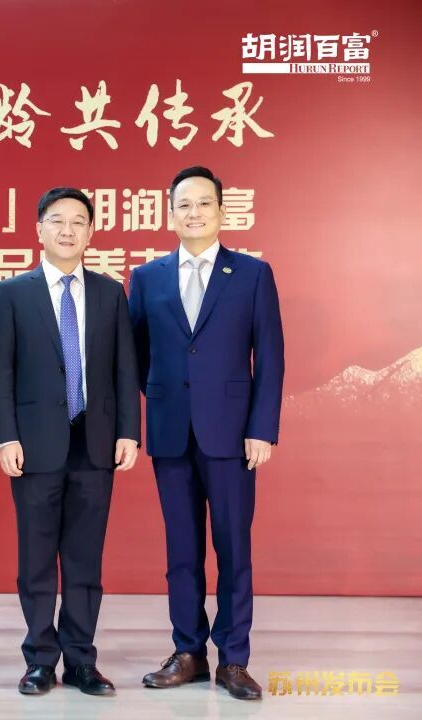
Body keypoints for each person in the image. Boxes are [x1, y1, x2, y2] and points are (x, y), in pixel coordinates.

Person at [129, 166, 284, 701]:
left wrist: (261, 428)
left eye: (203, 204)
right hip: (171, 431)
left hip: (233, 435)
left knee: (234, 548)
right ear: (170, 213)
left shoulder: (252, 274)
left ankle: (234, 659)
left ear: (221, 211)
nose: (193, 213)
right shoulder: (147, 277)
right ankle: (189, 652)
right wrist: (165, 397)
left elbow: (270, 357)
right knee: (181, 551)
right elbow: (137, 354)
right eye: (183, 205)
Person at [0, 187, 140, 697]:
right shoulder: (13, 293)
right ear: (39, 229)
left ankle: (80, 660)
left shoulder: (109, 293)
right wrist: (6, 436)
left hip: (95, 441)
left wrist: (128, 431)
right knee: (35, 559)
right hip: (34, 444)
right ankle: (39, 659)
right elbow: (0, 371)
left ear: (91, 232)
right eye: (57, 220)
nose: (67, 230)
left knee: (84, 560)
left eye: (78, 221)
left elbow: (124, 368)